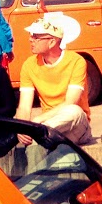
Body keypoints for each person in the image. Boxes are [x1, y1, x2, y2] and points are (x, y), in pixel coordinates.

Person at [15, 11, 92, 144]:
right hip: (49, 126)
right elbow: (24, 107)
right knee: (34, 136)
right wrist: (22, 127)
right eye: (31, 35)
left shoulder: (76, 61)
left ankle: (40, 133)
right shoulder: (28, 65)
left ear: (52, 42)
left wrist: (37, 122)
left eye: (36, 36)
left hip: (76, 126)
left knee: (73, 111)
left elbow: (70, 103)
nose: (30, 39)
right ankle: (40, 137)